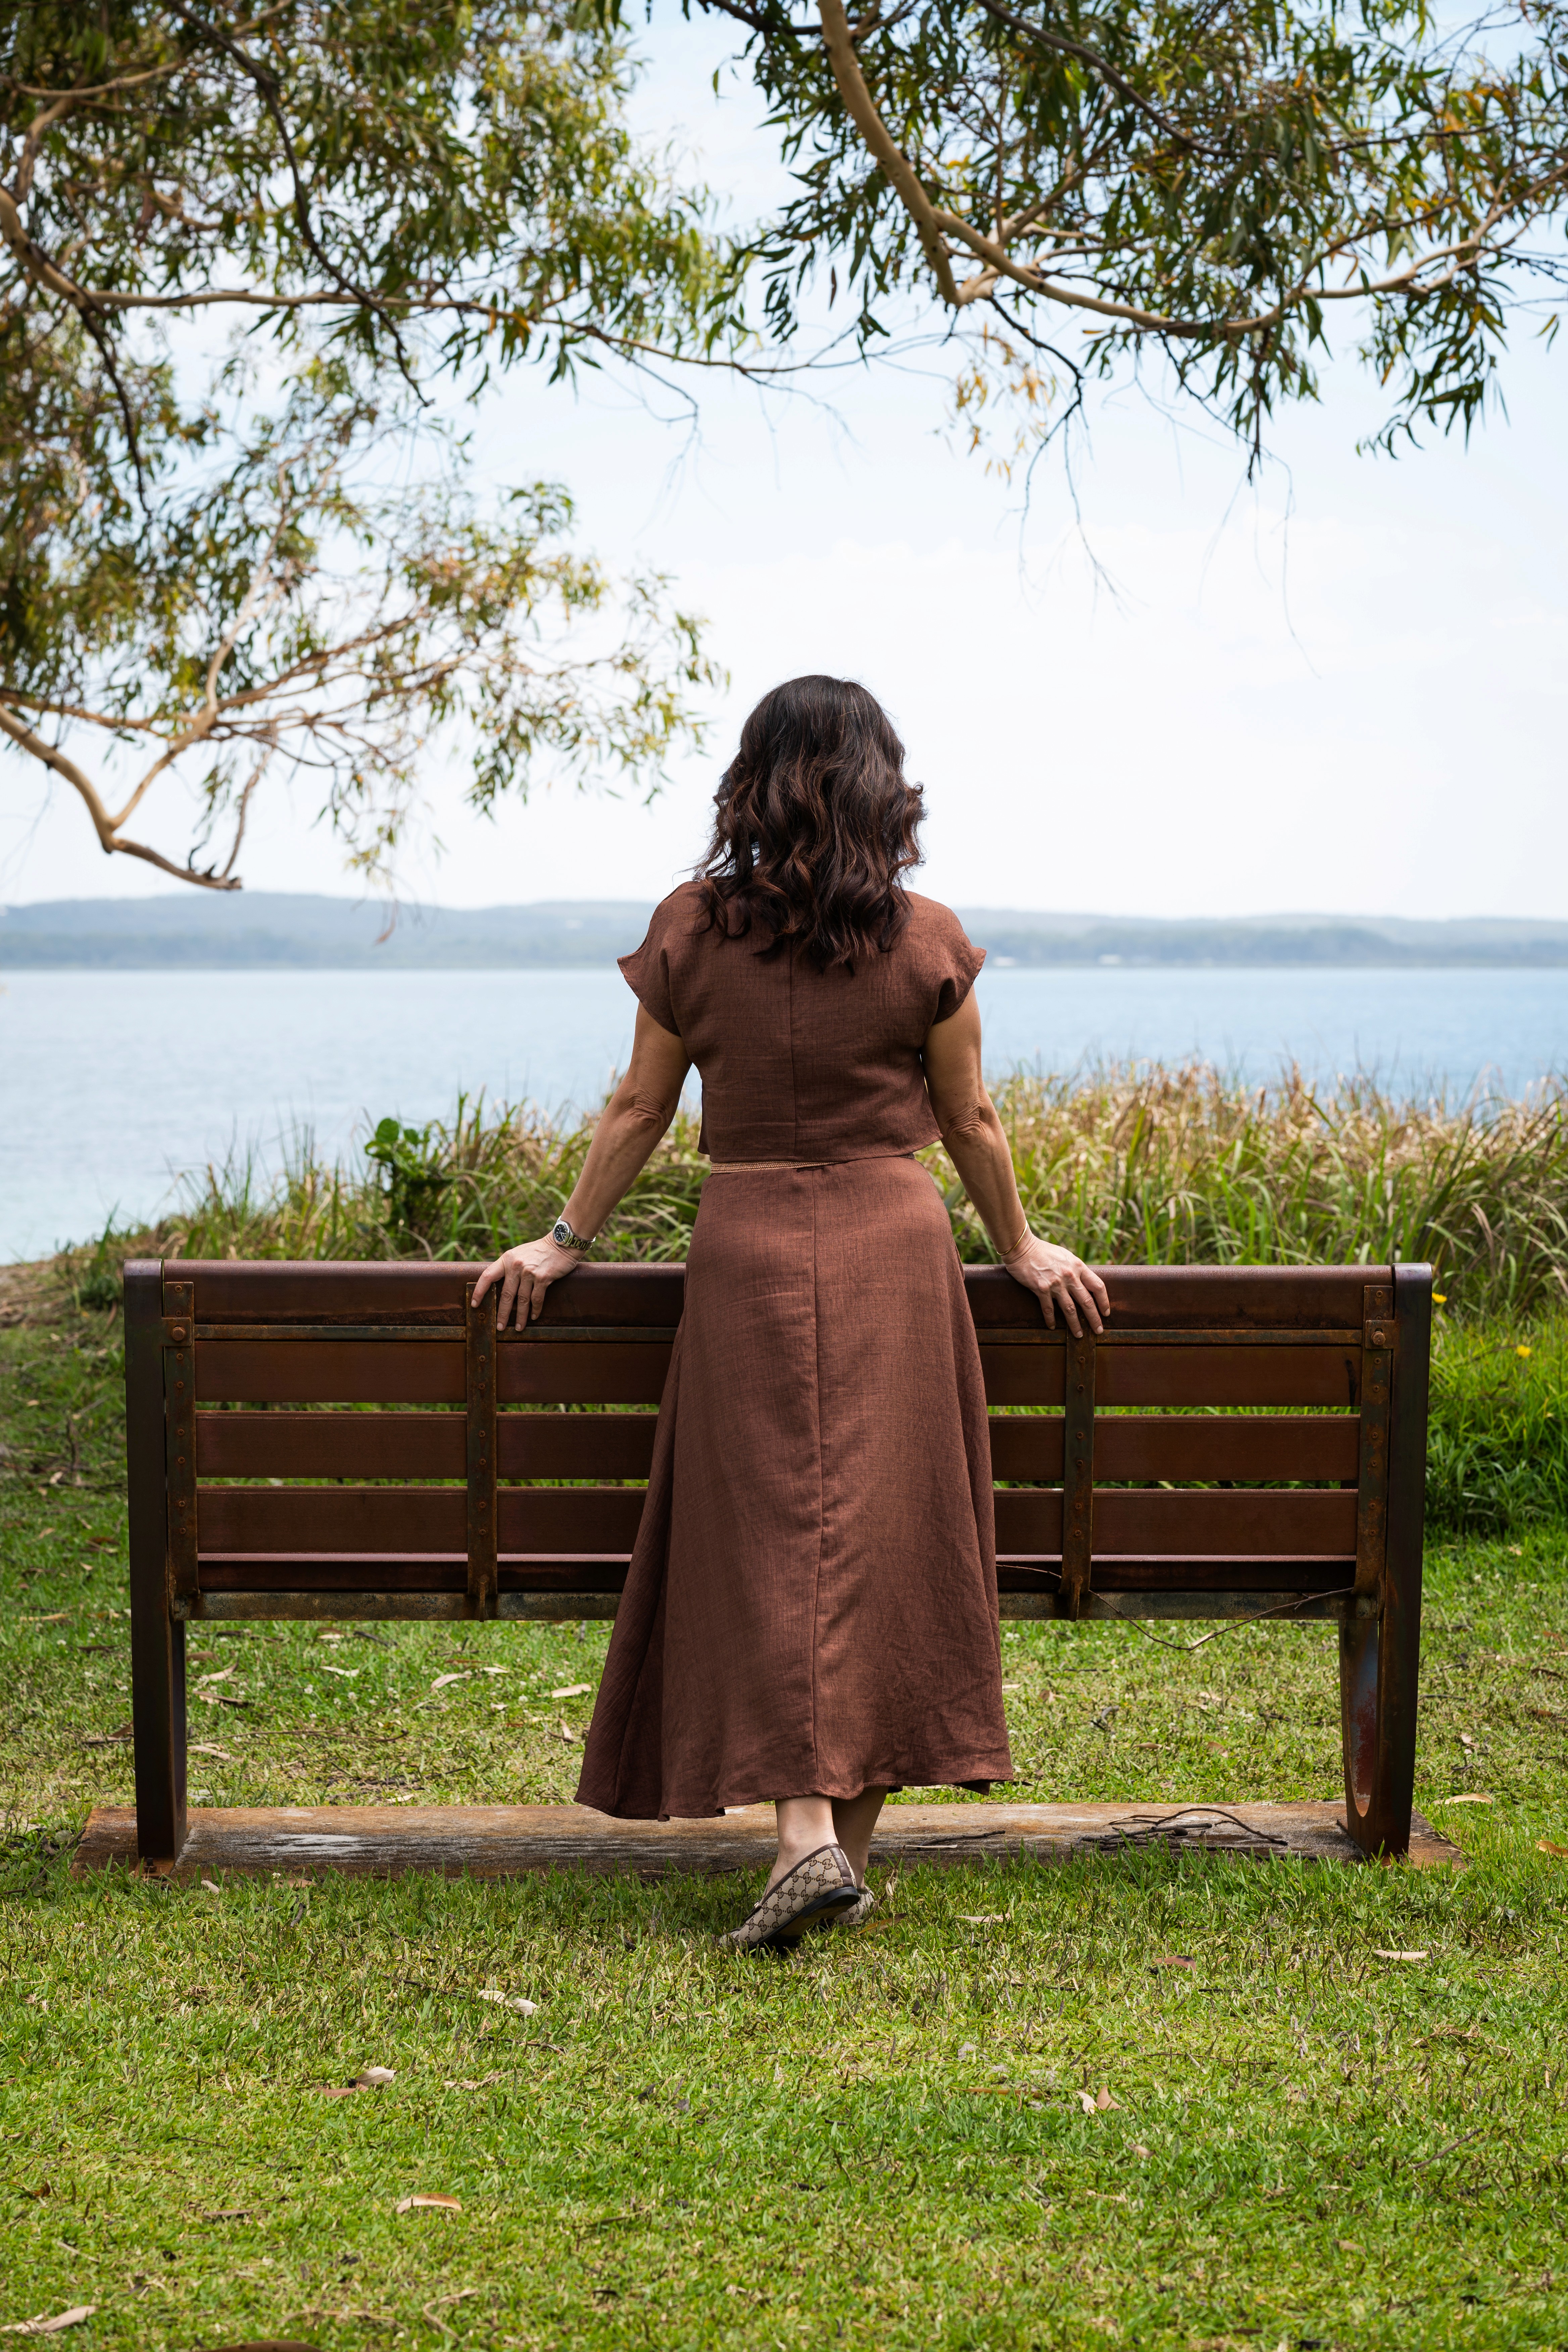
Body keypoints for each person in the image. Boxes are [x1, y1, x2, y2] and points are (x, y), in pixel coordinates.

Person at [474, 675, 1109, 1950]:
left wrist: (560, 1244)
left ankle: (813, 1852)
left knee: (769, 1539)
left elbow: (641, 1112)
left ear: (752, 784)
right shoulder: (927, 938)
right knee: (883, 1535)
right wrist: (1023, 1246)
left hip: (750, 1252)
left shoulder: (691, 932)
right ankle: (821, 1848)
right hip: (894, 1249)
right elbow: (971, 1119)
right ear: (884, 785)